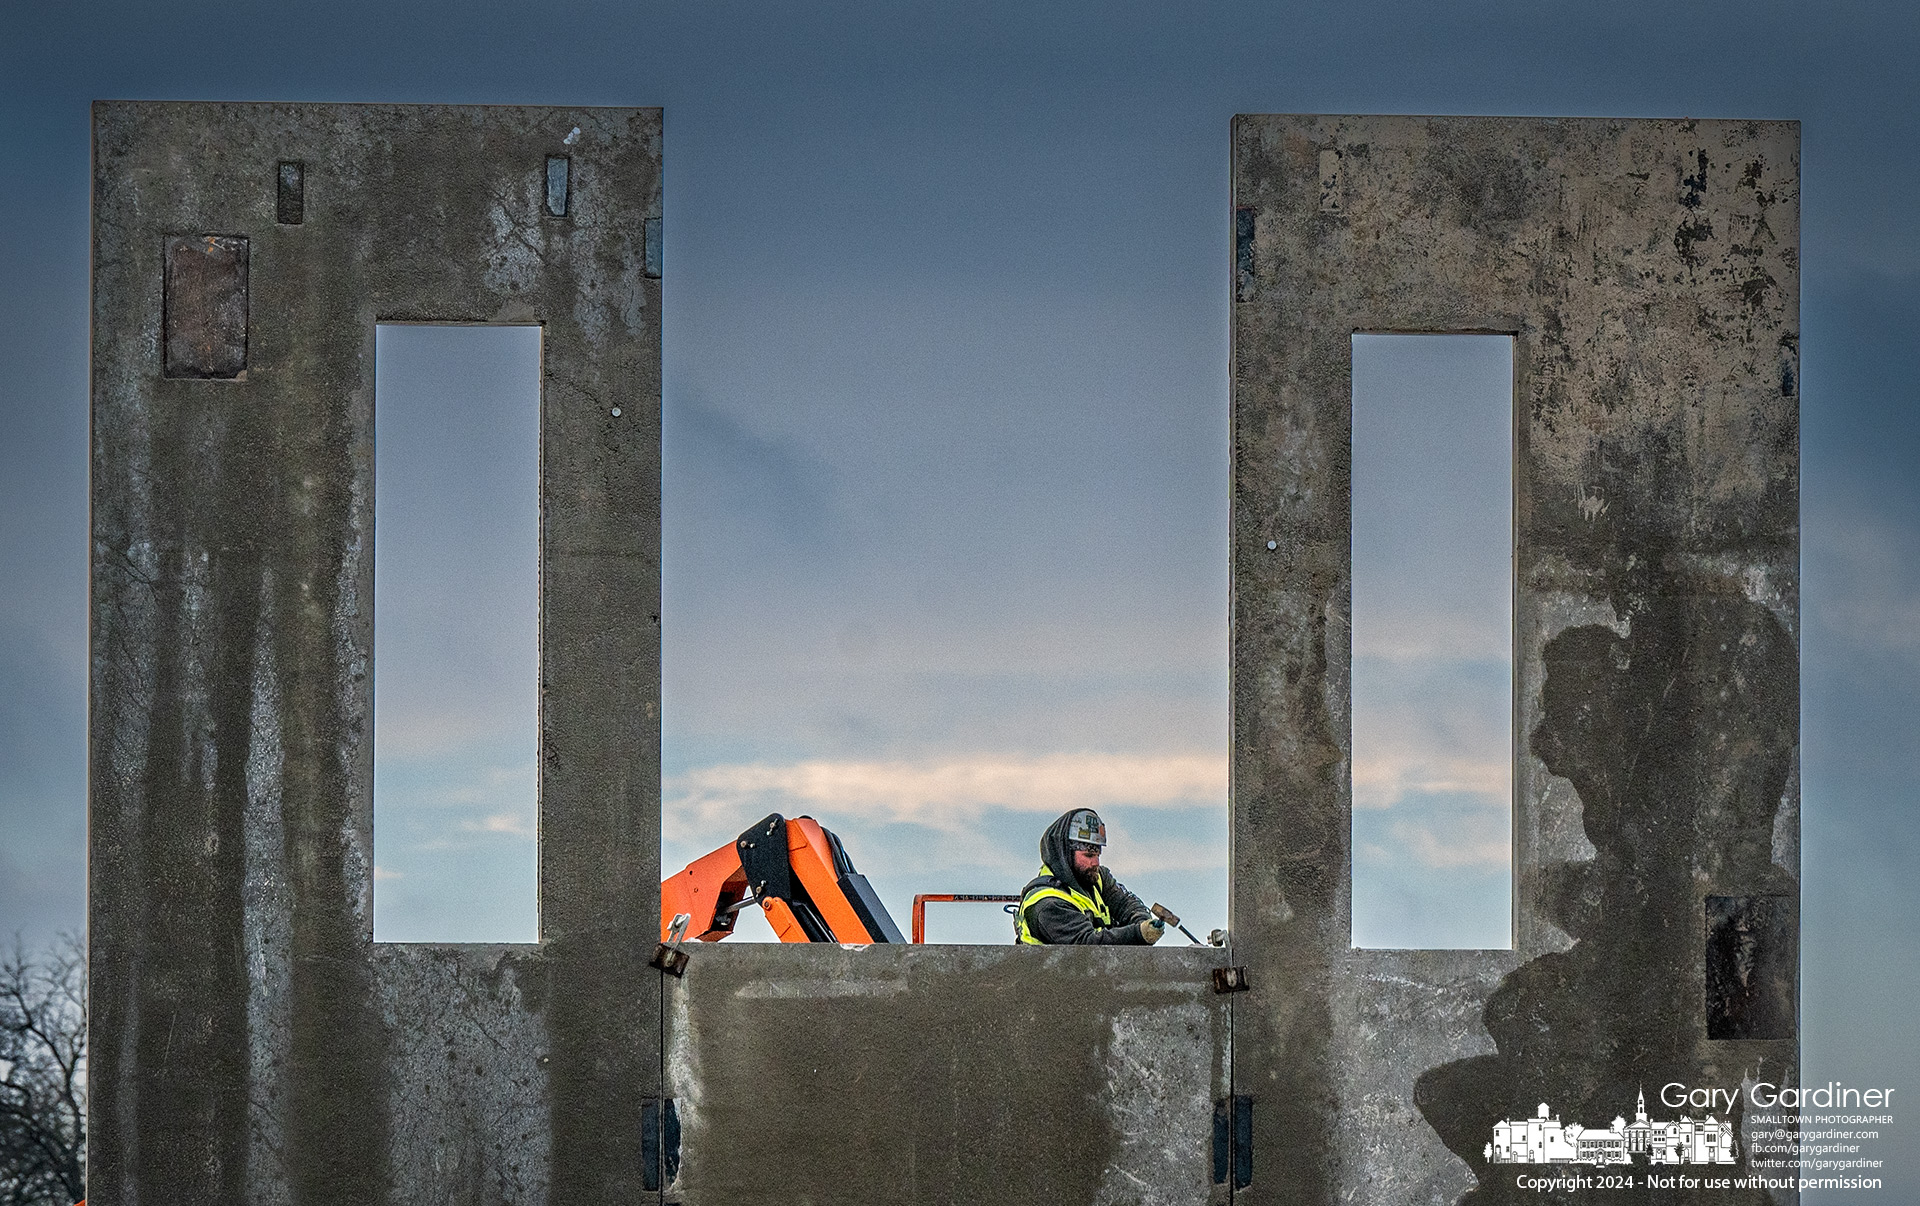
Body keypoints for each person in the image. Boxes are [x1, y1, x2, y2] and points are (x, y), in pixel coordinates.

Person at [1014, 808, 1163, 945]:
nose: (1095, 863)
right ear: (1065, 855)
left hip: (1086, 973)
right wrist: (1138, 933)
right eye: (1089, 855)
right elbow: (1086, 946)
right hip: (1046, 973)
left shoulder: (1097, 878)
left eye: (1098, 855)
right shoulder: (1047, 904)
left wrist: (1143, 922)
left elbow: (1126, 903)